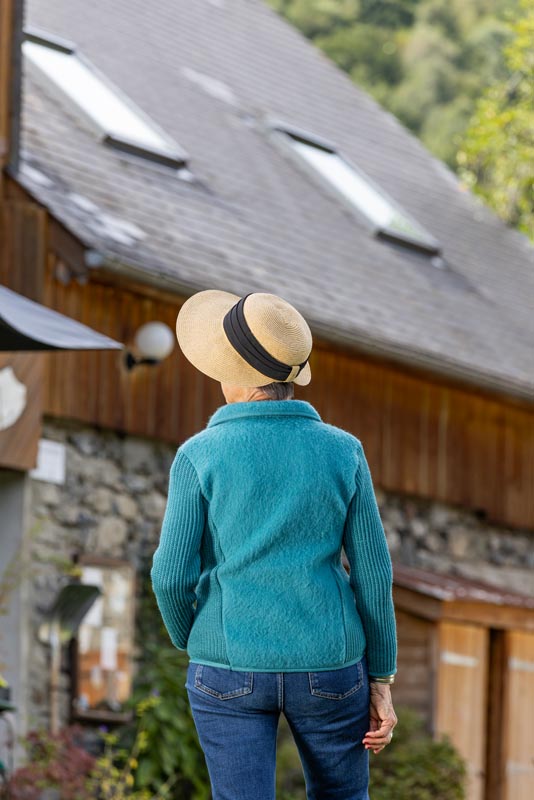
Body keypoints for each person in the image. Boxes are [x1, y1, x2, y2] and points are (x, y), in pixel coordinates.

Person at [151, 290, 398, 800]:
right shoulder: (343, 451)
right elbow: (374, 574)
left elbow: (170, 576)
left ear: (236, 375)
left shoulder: (199, 456)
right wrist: (382, 677)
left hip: (227, 664)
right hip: (331, 664)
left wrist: (193, 638)